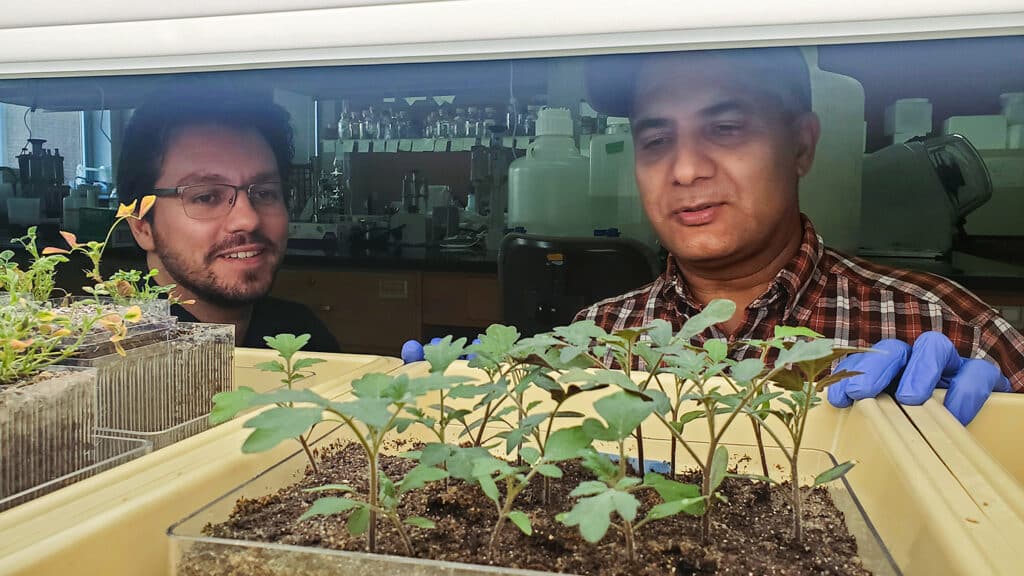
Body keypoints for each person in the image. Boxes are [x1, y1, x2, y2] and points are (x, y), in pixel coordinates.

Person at [576, 47, 1024, 425]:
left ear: (801, 146)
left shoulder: (946, 323)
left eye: (725, 129)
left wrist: (998, 424)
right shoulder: (595, 340)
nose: (687, 169)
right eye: (656, 140)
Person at [117, 87, 340, 353]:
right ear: (142, 225)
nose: (248, 220)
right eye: (206, 197)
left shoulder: (299, 335)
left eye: (264, 192)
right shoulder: (117, 351)